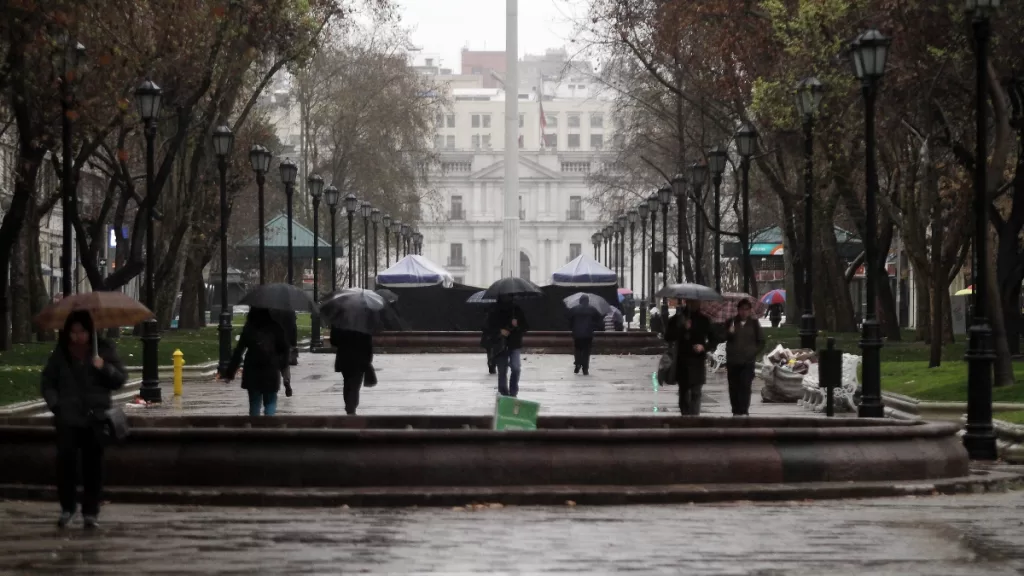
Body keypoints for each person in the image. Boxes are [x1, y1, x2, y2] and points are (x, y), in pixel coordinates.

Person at [40, 311, 127, 529]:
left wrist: (103, 367)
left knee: (93, 467)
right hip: (67, 418)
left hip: (94, 418)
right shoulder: (61, 353)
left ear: (90, 332)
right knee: (66, 464)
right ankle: (67, 508)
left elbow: (119, 379)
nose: (77, 336)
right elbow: (48, 381)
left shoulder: (103, 350)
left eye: (82, 331)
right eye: (73, 331)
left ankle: (90, 512)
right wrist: (56, 405)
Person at [221, 308, 290, 416]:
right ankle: (269, 427)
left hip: (252, 370)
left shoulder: (249, 328)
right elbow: (284, 351)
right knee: (270, 402)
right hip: (270, 370)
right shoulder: (276, 328)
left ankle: (254, 429)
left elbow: (238, 352)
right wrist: (284, 370)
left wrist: (230, 373)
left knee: (254, 404)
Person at [664, 300, 719, 415]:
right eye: (691, 301)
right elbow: (668, 336)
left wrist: (704, 347)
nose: (694, 304)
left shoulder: (704, 320)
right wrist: (683, 327)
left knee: (696, 391)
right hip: (682, 360)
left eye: (696, 302)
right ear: (687, 302)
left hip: (697, 360)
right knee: (683, 391)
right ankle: (685, 416)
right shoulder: (677, 318)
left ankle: (694, 418)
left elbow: (714, 339)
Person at [725, 299, 765, 416]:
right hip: (733, 361)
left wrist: (753, 352)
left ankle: (744, 410)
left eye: (746, 309)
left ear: (750, 311)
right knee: (734, 387)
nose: (744, 312)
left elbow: (761, 341)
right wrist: (729, 333)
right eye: (742, 309)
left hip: (747, 362)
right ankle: (736, 410)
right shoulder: (731, 322)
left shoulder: (754, 323)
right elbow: (721, 337)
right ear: (738, 310)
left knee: (745, 386)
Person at [486, 296, 529, 397]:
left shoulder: (516, 310)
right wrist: (499, 331)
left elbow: (525, 327)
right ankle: (504, 394)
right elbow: (487, 327)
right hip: (499, 344)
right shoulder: (494, 310)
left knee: (516, 367)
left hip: (514, 344)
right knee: (502, 371)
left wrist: (517, 325)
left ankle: (513, 392)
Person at [331, 328, 373, 415]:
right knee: (355, 384)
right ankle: (351, 406)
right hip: (360, 356)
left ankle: (349, 405)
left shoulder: (340, 322)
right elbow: (368, 341)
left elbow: (334, 341)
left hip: (344, 356)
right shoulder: (362, 322)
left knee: (347, 381)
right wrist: (368, 359)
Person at [567, 295, 604, 375]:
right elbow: (599, 321)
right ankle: (585, 368)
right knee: (586, 351)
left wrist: (573, 329)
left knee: (577, 349)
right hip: (588, 334)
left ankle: (577, 363)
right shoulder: (593, 310)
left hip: (577, 334)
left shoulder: (574, 309)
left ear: (580, 301)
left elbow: (569, 320)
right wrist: (594, 327)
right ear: (588, 301)